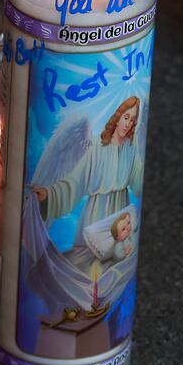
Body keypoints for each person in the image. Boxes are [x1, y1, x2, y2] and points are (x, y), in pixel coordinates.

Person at [33, 96, 143, 259]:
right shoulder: (98, 147)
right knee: (89, 262)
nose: (128, 124)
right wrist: (49, 195)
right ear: (118, 117)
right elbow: (76, 181)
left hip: (120, 212)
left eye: (132, 120)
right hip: (96, 216)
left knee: (117, 260)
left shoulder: (131, 149)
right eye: (126, 117)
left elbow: (139, 182)